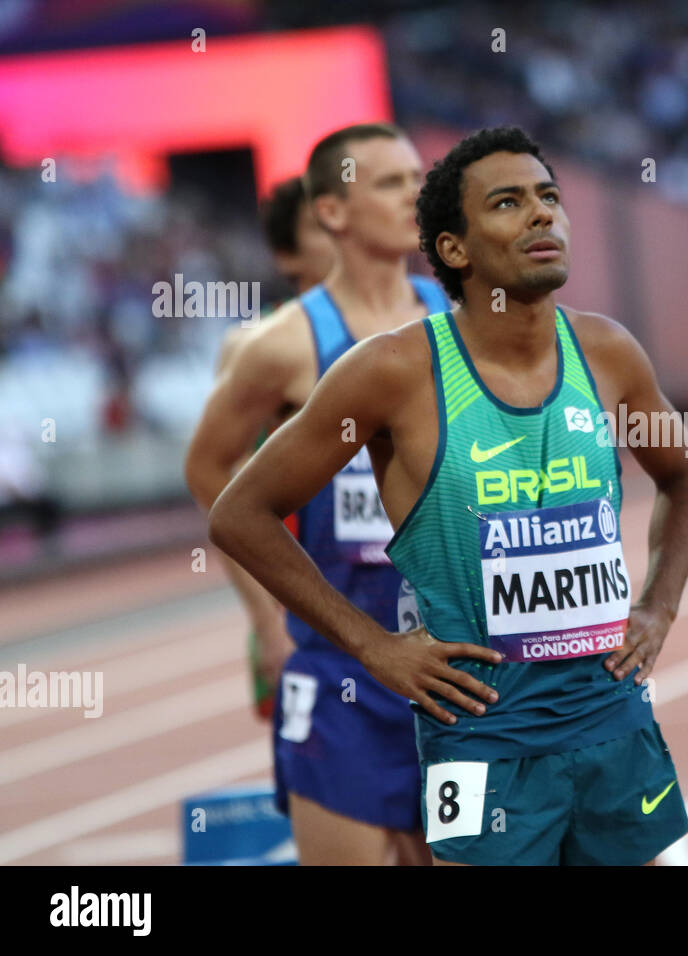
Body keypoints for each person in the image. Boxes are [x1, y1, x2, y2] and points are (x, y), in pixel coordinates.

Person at [208, 126, 688, 866]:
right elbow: (238, 514)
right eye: (509, 203)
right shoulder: (391, 371)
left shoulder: (607, 353)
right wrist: (373, 645)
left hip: (610, 721)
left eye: (549, 197)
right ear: (454, 249)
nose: (543, 216)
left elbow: (686, 475)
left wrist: (660, 603)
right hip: (485, 739)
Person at [185, 122, 451, 865]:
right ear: (331, 212)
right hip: (342, 663)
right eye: (392, 182)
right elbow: (210, 471)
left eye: (418, 178)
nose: (416, 195)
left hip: (454, 656)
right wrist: (266, 611)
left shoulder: (460, 320)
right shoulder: (281, 346)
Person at [210, 176, 338, 720]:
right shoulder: (258, 346)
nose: (340, 233)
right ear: (287, 254)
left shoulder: (418, 327)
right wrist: (266, 620)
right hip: (302, 599)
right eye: (319, 226)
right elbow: (220, 485)